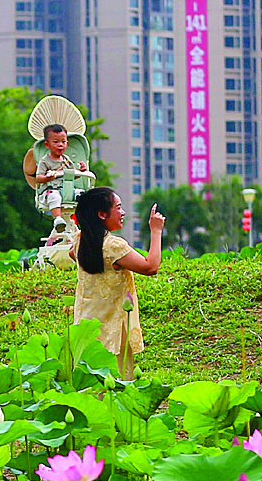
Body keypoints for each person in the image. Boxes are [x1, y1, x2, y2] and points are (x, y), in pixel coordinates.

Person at [69, 186, 162, 380]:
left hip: (86, 326)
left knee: (89, 386)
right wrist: (156, 230)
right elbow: (150, 267)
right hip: (112, 330)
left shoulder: (81, 240)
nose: (123, 213)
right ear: (102, 214)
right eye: (118, 208)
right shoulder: (112, 246)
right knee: (114, 385)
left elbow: (72, 254)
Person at [24, 123, 95, 239]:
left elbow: (72, 175)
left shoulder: (66, 160)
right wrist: (48, 177)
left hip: (66, 190)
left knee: (81, 194)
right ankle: (58, 219)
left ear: (67, 143)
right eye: (56, 142)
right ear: (47, 144)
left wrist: (81, 170)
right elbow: (38, 178)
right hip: (51, 190)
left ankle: (88, 218)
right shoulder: (45, 161)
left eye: (63, 141)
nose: (60, 145)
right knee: (54, 197)